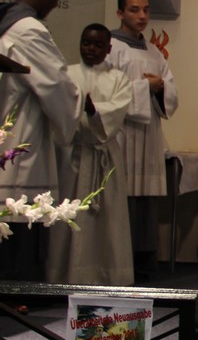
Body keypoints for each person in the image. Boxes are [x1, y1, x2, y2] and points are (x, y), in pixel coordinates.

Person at [0, 0, 80, 280]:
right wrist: (75, 109)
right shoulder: (28, 29)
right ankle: (19, 288)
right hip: (22, 133)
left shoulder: (5, 20)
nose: (56, 5)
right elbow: (56, 84)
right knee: (21, 216)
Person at [47, 24, 134, 285]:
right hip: (73, 154)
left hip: (104, 156)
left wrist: (93, 110)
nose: (91, 49)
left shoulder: (119, 79)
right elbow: (58, 111)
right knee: (70, 215)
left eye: (98, 45)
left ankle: (108, 275)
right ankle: (65, 274)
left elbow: (116, 112)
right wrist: (79, 112)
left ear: (108, 48)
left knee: (108, 219)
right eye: (86, 43)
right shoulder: (68, 74)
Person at [108, 0, 178, 278]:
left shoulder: (153, 51)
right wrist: (144, 87)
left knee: (146, 197)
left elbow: (170, 89)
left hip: (148, 133)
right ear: (120, 13)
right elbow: (106, 90)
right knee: (122, 194)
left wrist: (161, 87)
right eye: (134, 10)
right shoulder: (110, 47)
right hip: (122, 132)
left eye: (146, 10)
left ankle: (145, 260)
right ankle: (120, 261)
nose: (142, 16)